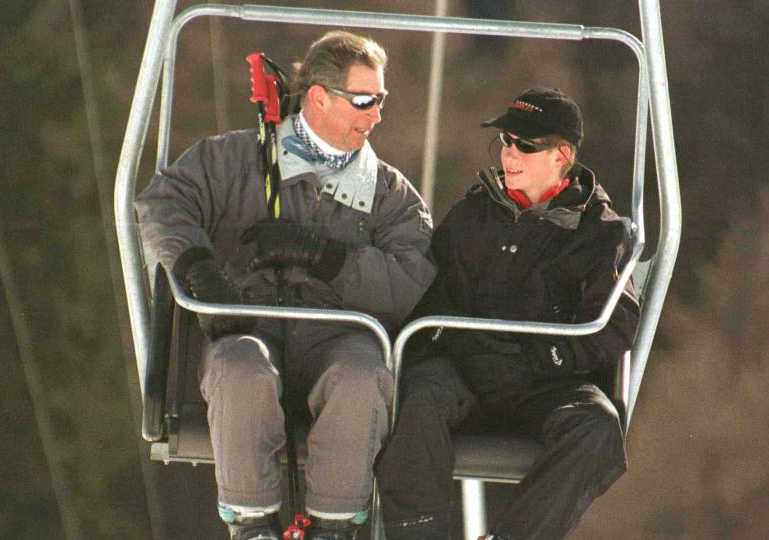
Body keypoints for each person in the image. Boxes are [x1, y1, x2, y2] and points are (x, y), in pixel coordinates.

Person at [135, 31, 435, 540]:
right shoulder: (236, 161)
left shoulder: (388, 193)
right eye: (364, 100)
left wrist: (328, 260)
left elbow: (411, 277)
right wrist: (201, 272)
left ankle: (335, 525)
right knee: (239, 367)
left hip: (339, 335)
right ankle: (252, 523)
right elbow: (163, 204)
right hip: (250, 320)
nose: (376, 115)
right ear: (318, 97)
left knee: (361, 377)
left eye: (381, 100)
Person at [375, 88, 640, 539]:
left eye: (525, 145)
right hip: (465, 374)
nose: (509, 154)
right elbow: (430, 300)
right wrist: (467, 347)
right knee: (420, 399)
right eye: (506, 141)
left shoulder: (598, 233)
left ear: (562, 155)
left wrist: (539, 361)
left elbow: (614, 324)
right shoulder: (471, 217)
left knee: (597, 427)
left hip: (546, 383)